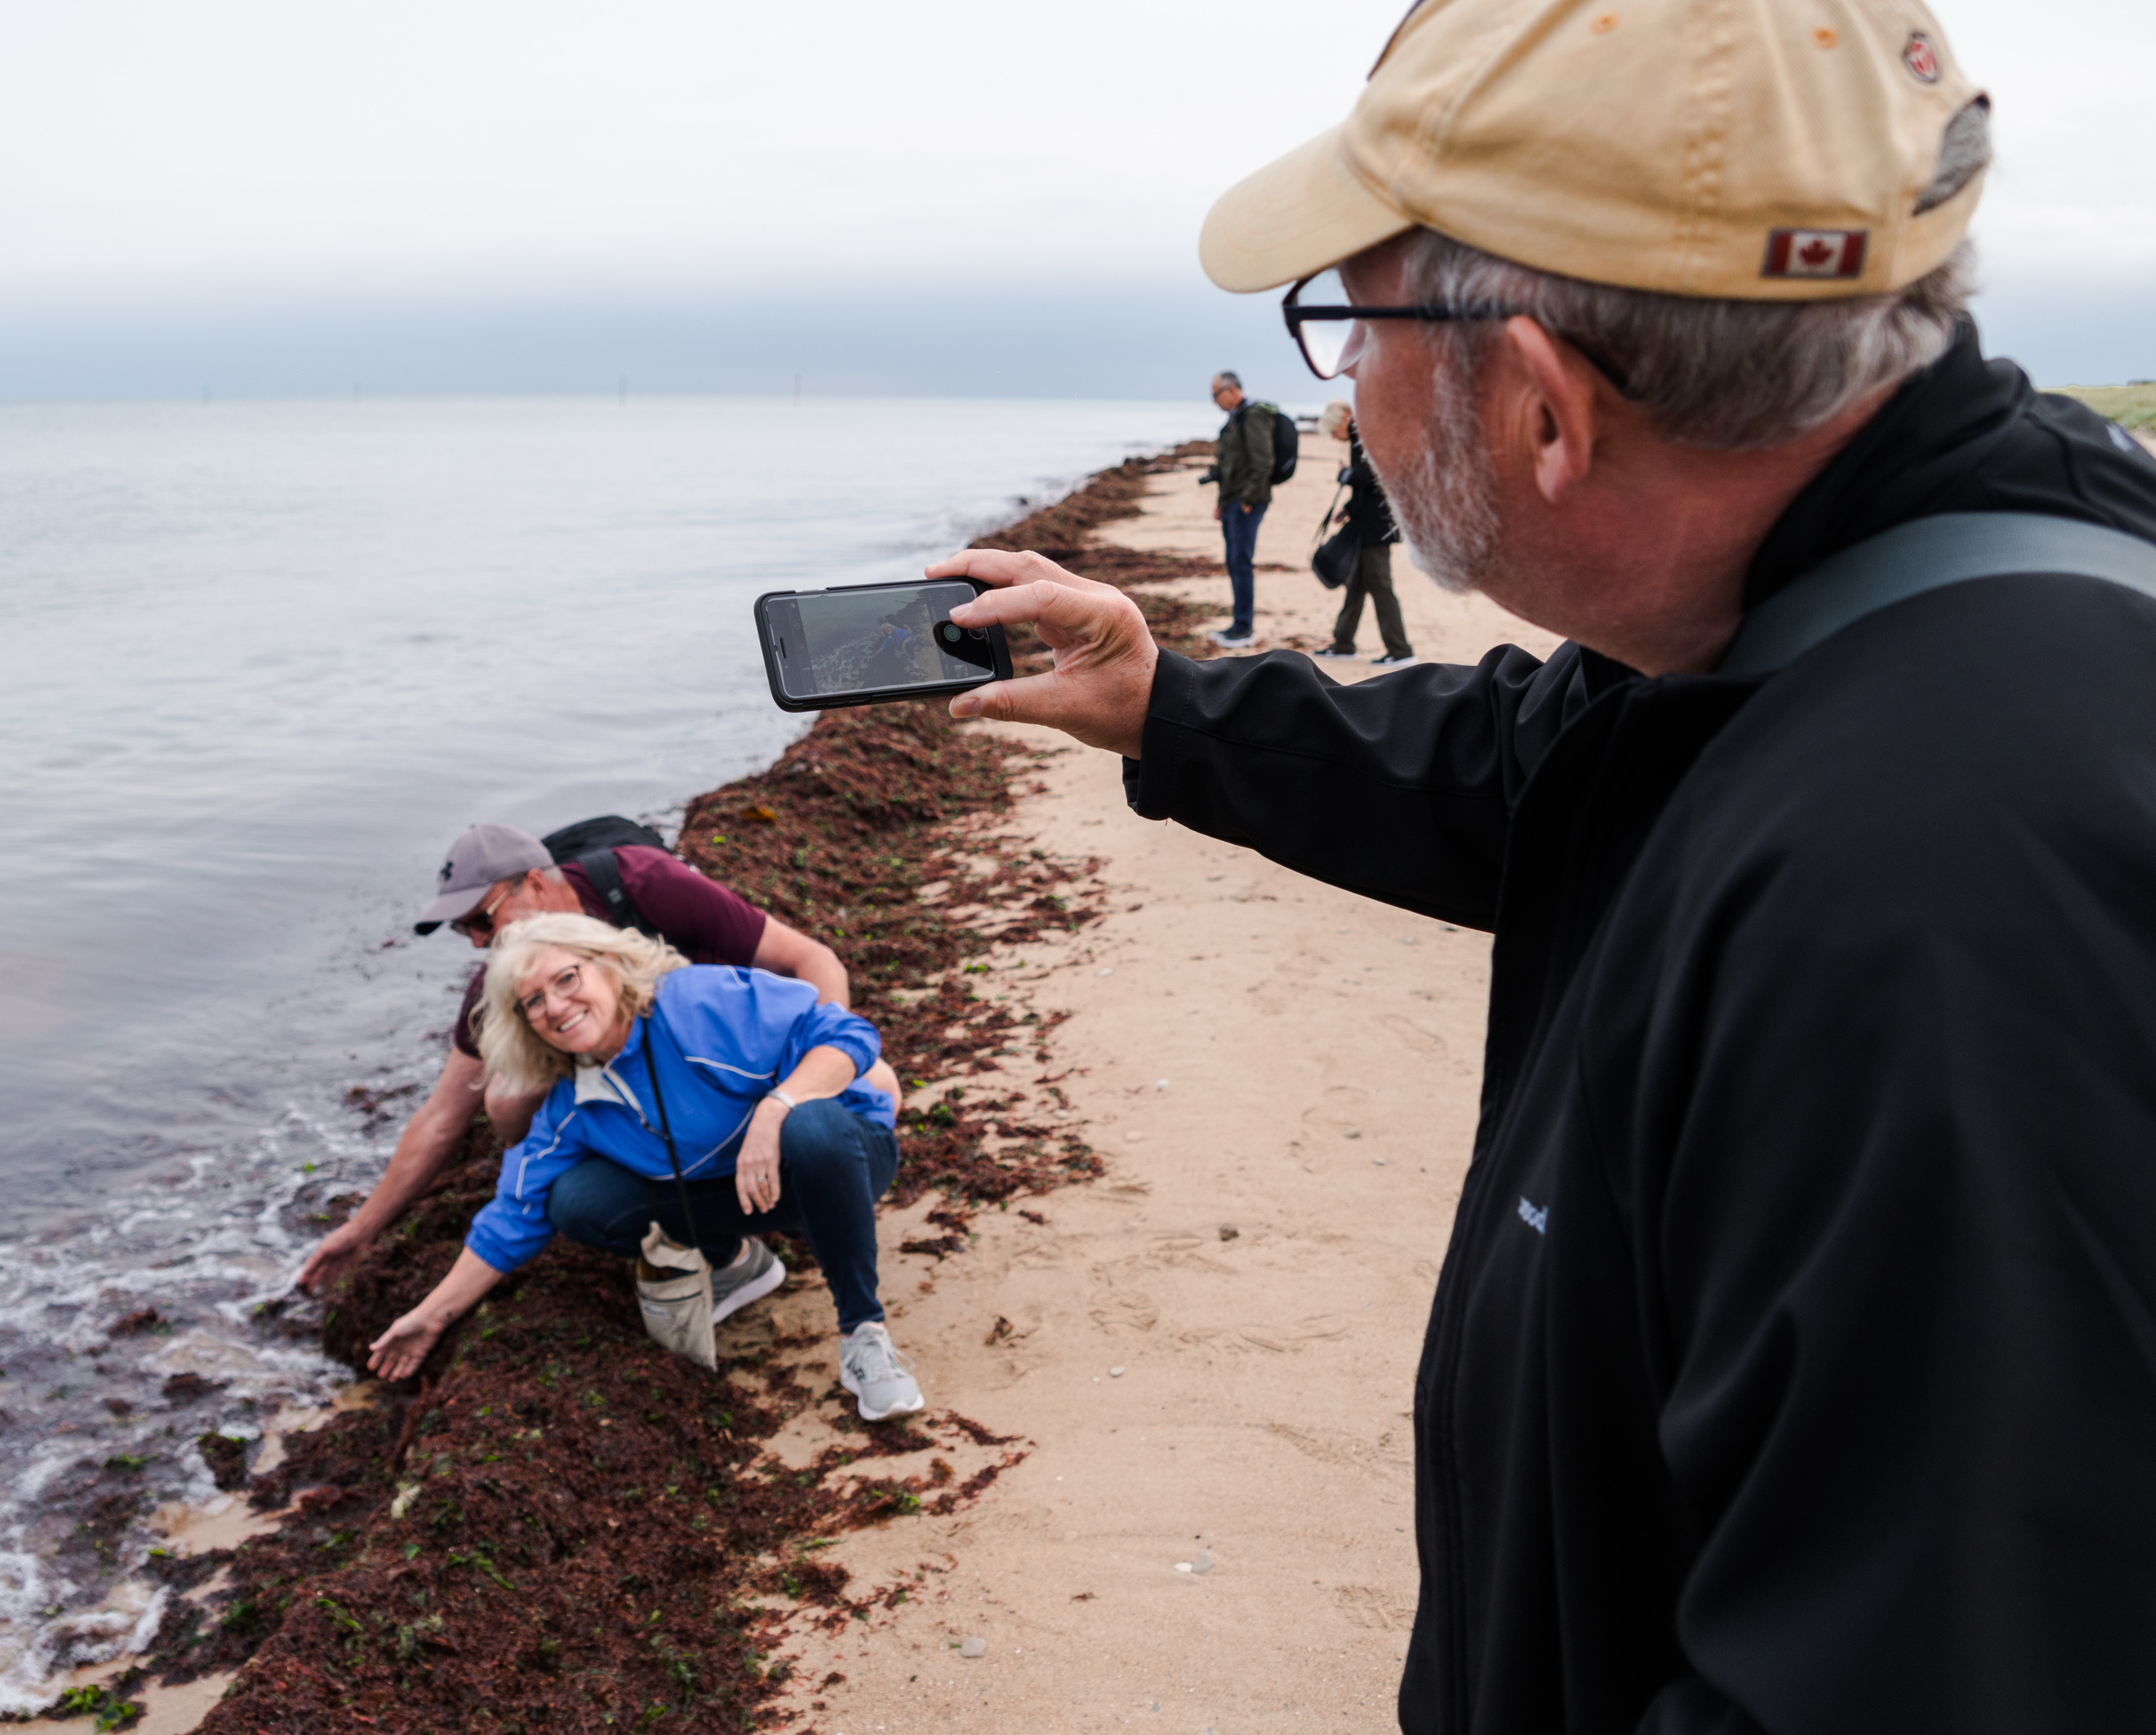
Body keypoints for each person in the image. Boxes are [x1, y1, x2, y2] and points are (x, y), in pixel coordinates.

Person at [924, 0, 2156, 1726]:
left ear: (1546, 410)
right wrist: (1169, 708)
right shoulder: (1846, 590)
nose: (1347, 389)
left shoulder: (1931, 910)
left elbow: (1935, 1662)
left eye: (1350, 322)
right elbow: (1557, 764)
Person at [365, 913, 925, 1421]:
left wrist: (777, 1107)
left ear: (610, 967)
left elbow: (847, 1032)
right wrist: (431, 1316)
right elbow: (513, 1213)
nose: (555, 1006)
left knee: (811, 1125)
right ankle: (736, 1263)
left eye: (567, 978)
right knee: (577, 1200)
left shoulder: (696, 1004)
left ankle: (863, 1334)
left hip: (842, 1159)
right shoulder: (572, 1099)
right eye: (533, 1001)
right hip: (741, 1192)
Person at [295, 823, 895, 1295]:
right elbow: (443, 1117)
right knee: (522, 1123)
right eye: (463, 931)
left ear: (535, 884)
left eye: (481, 918)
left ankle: (810, 1183)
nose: (477, 941)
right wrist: (361, 1229)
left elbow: (813, 960)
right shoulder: (502, 984)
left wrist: (820, 1075)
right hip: (654, 1125)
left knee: (869, 1086)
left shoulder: (643, 884)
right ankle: (723, 1248)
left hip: (744, 1068)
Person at [1316, 400, 1413, 666]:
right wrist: (1348, 508)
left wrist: (1344, 475)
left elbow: (1369, 477)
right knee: (1355, 585)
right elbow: (1369, 488)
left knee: (1381, 586)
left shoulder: (1366, 437)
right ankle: (1343, 644)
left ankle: (1401, 651)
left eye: (1334, 431)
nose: (1334, 437)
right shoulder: (1363, 436)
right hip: (1366, 523)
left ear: (1344, 420)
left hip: (1375, 528)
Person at [1205, 371, 1274, 649]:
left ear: (1232, 390)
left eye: (1216, 394)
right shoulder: (1236, 418)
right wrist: (1222, 503)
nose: (1214, 400)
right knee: (1234, 562)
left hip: (1246, 503)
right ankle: (1238, 624)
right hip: (1232, 502)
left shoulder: (1252, 416)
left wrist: (1247, 498)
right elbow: (1230, 465)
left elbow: (1264, 461)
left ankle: (1244, 628)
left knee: (1241, 562)